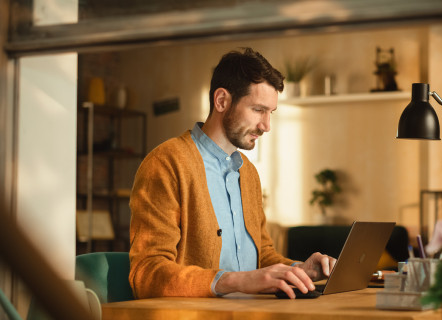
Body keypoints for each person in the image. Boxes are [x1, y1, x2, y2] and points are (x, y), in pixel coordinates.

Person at [128, 47, 336, 300]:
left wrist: (298, 270)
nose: (266, 126)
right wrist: (235, 280)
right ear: (222, 101)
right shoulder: (166, 163)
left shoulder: (248, 174)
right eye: (258, 110)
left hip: (250, 318)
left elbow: (263, 256)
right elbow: (147, 274)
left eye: (271, 113)